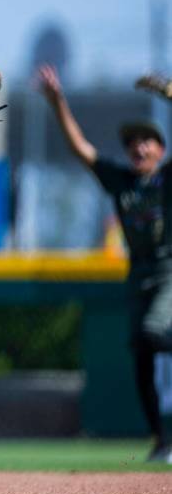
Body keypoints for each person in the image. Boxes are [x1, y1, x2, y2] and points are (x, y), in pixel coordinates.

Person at [39, 64, 172, 463]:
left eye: (147, 140)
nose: (139, 146)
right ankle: (162, 441)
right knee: (142, 356)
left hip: (169, 272)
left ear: (161, 150)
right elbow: (82, 148)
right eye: (133, 141)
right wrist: (58, 101)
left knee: (153, 334)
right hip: (140, 276)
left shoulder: (167, 179)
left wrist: (168, 94)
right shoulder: (121, 180)